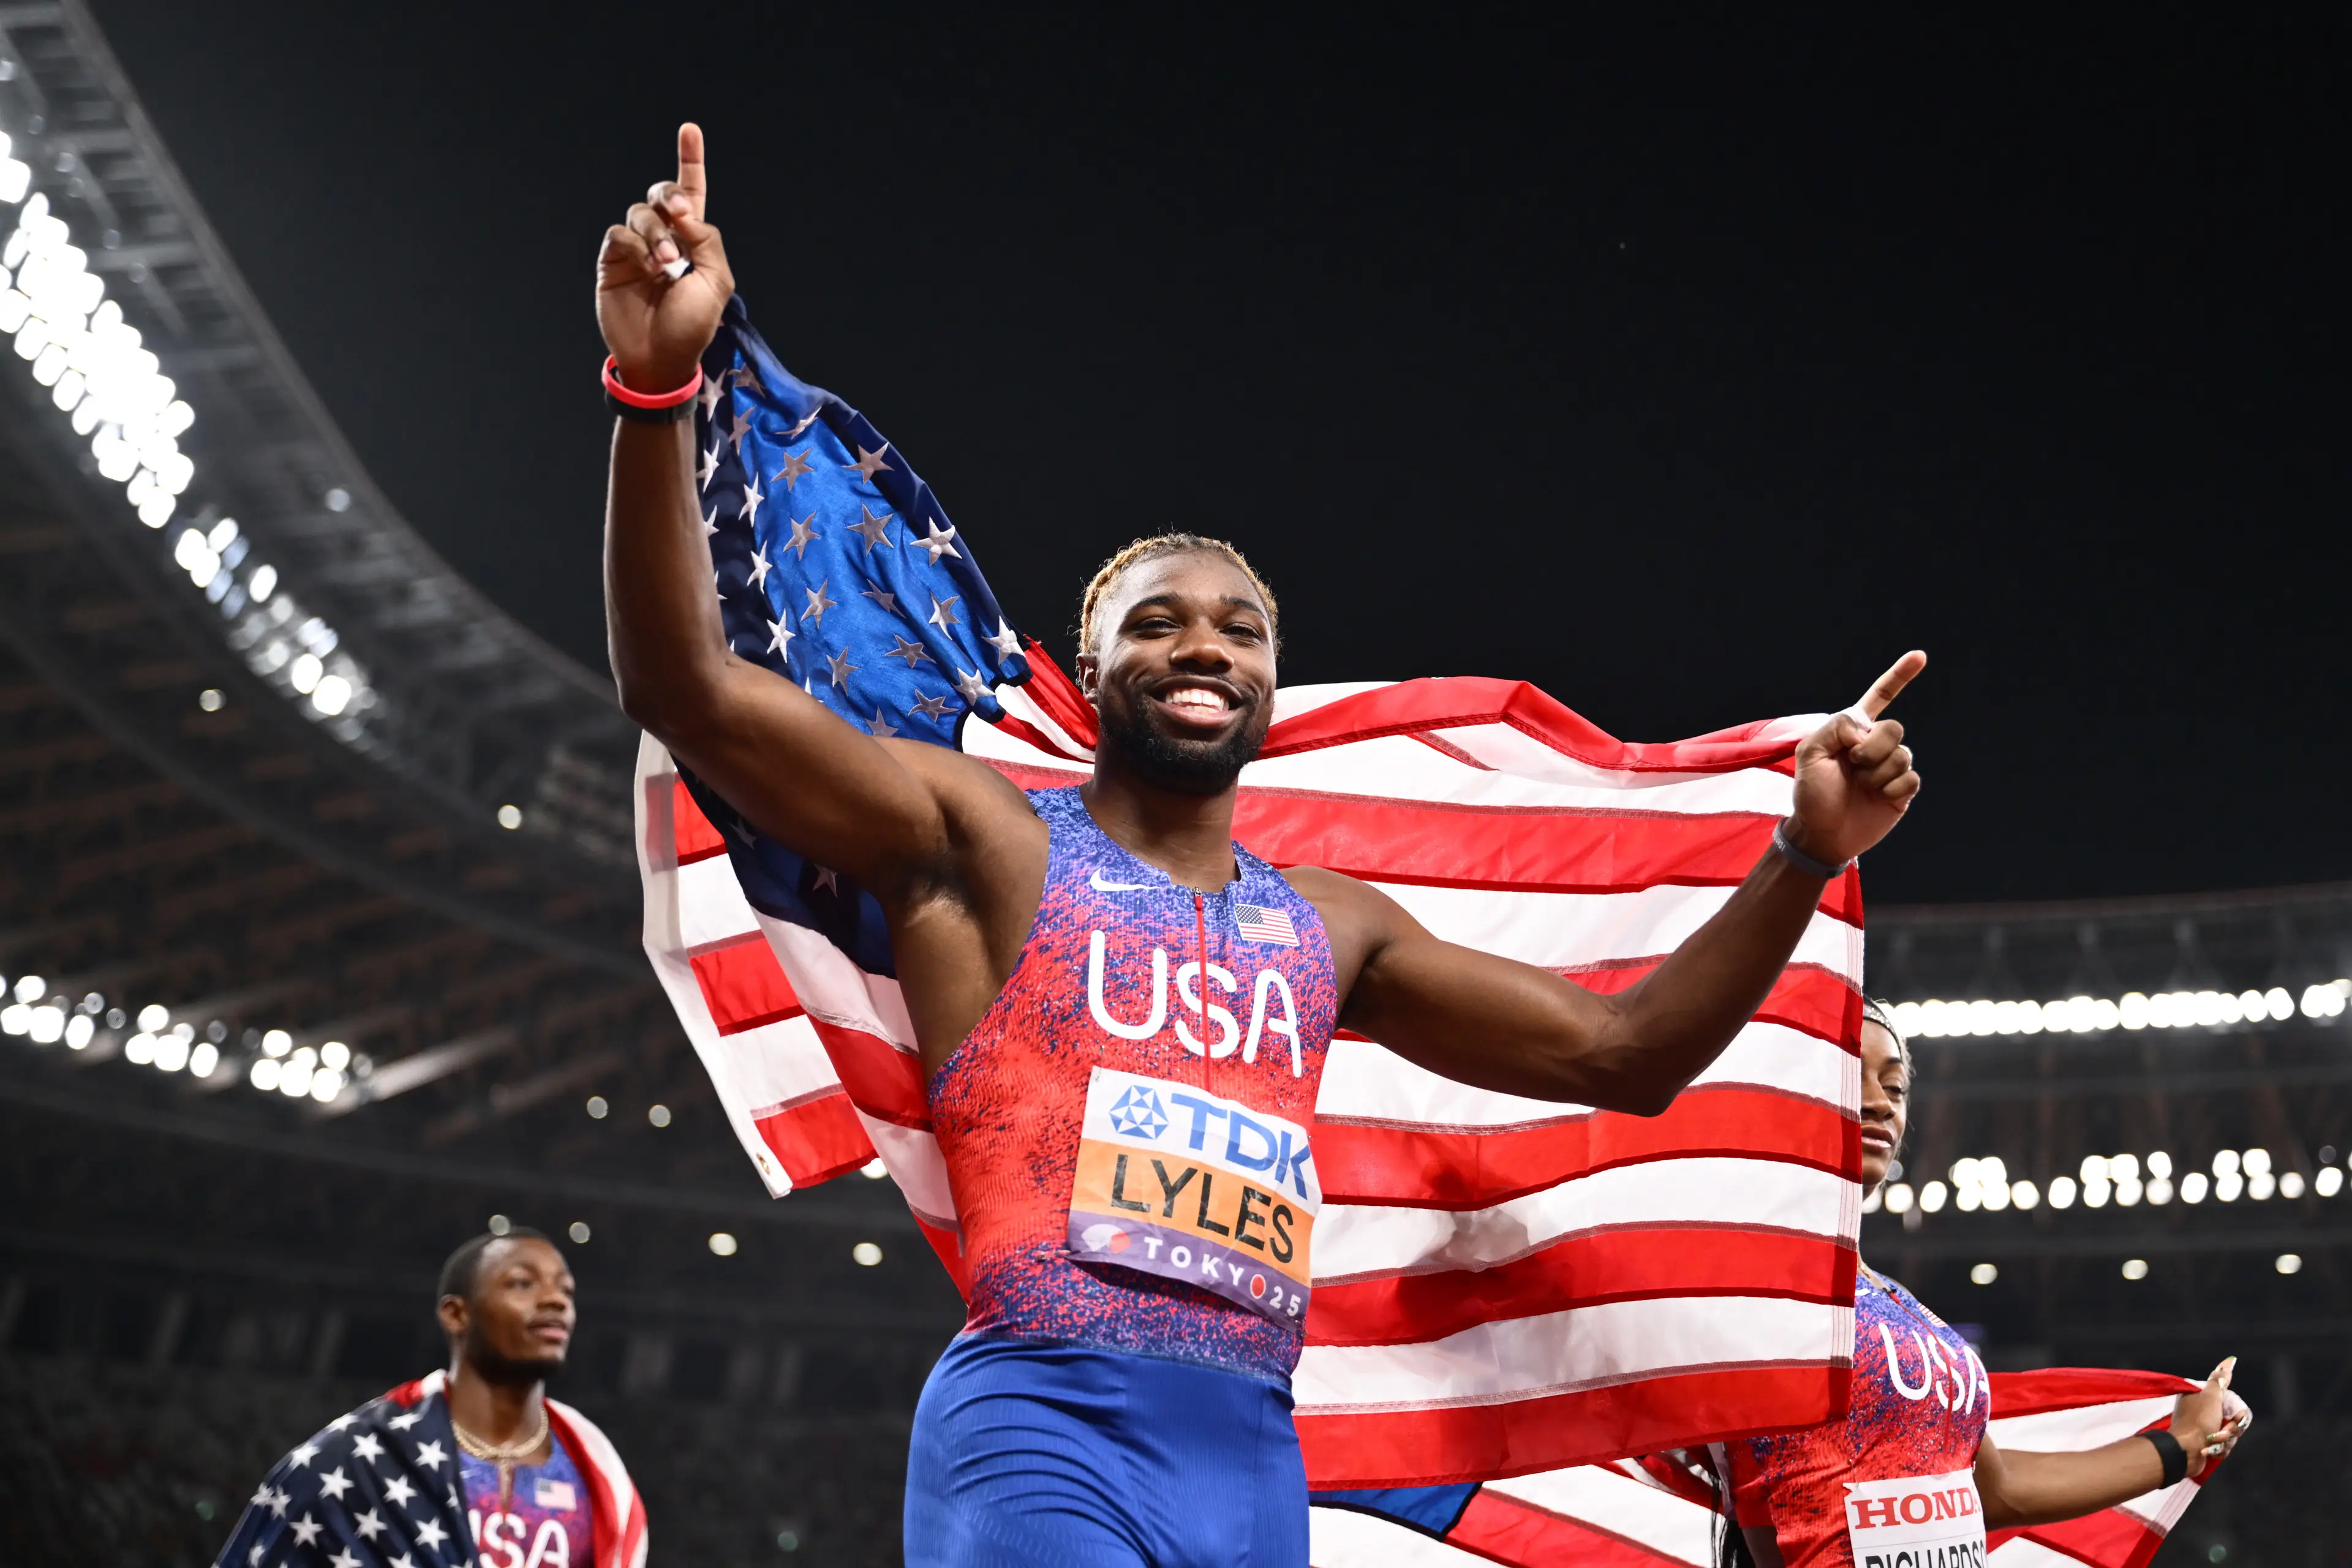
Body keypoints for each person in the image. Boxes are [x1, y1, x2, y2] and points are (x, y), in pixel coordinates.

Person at [597, 123, 1927, 1568]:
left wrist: (1802, 855)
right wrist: (656, 393)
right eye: (1158, 621)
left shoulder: (1328, 927)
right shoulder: (982, 838)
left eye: (1240, 628)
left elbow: (1628, 1055)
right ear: (1092, 670)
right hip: (1040, 1426)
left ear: (1270, 684)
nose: (1204, 646)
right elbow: (690, 692)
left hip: (1249, 1462)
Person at [1719, 1000, 2252, 1568]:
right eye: (1849, 1078)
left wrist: (2180, 1449)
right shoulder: (1741, 1284)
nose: (1879, 1103)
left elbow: (1994, 1489)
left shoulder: (1901, 1303)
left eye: (1895, 1087)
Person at [214, 1228, 646, 1568]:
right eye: (522, 1284)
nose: (555, 1301)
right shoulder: (359, 1461)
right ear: (456, 1314)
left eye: (566, 1291)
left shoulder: (599, 1477)